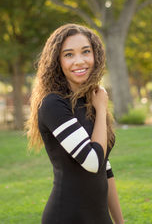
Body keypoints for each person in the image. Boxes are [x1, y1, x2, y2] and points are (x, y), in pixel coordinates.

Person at [25, 23, 124, 224]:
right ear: (57, 61)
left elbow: (105, 167)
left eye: (86, 52)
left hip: (99, 217)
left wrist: (120, 221)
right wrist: (102, 108)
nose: (79, 61)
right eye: (69, 54)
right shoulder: (53, 104)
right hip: (67, 216)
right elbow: (93, 161)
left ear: (96, 55)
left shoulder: (90, 100)